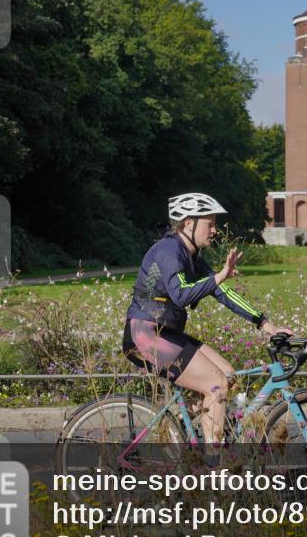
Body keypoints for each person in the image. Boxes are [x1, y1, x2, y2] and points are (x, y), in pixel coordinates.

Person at [123, 192, 292, 454]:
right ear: (188, 223)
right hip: (144, 334)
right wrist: (219, 276)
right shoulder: (169, 250)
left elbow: (221, 292)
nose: (214, 230)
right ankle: (215, 466)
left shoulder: (191, 256)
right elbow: (181, 294)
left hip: (164, 332)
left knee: (227, 377)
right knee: (216, 384)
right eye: (209, 224)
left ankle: (177, 430)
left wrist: (265, 324)